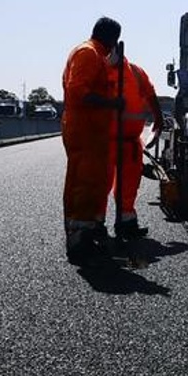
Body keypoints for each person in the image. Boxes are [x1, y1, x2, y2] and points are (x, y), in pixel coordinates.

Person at [60, 16, 126, 265]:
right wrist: (113, 103)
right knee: (84, 182)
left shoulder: (95, 55)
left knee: (93, 181)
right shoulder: (88, 54)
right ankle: (79, 239)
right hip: (84, 130)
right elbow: (79, 92)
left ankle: (88, 230)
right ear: (111, 38)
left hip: (92, 131)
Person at [105, 52, 165, 240]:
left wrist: (158, 120)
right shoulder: (98, 70)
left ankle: (127, 223)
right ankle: (94, 226)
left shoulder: (136, 72)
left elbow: (150, 94)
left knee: (129, 186)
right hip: (103, 141)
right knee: (99, 186)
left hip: (130, 140)